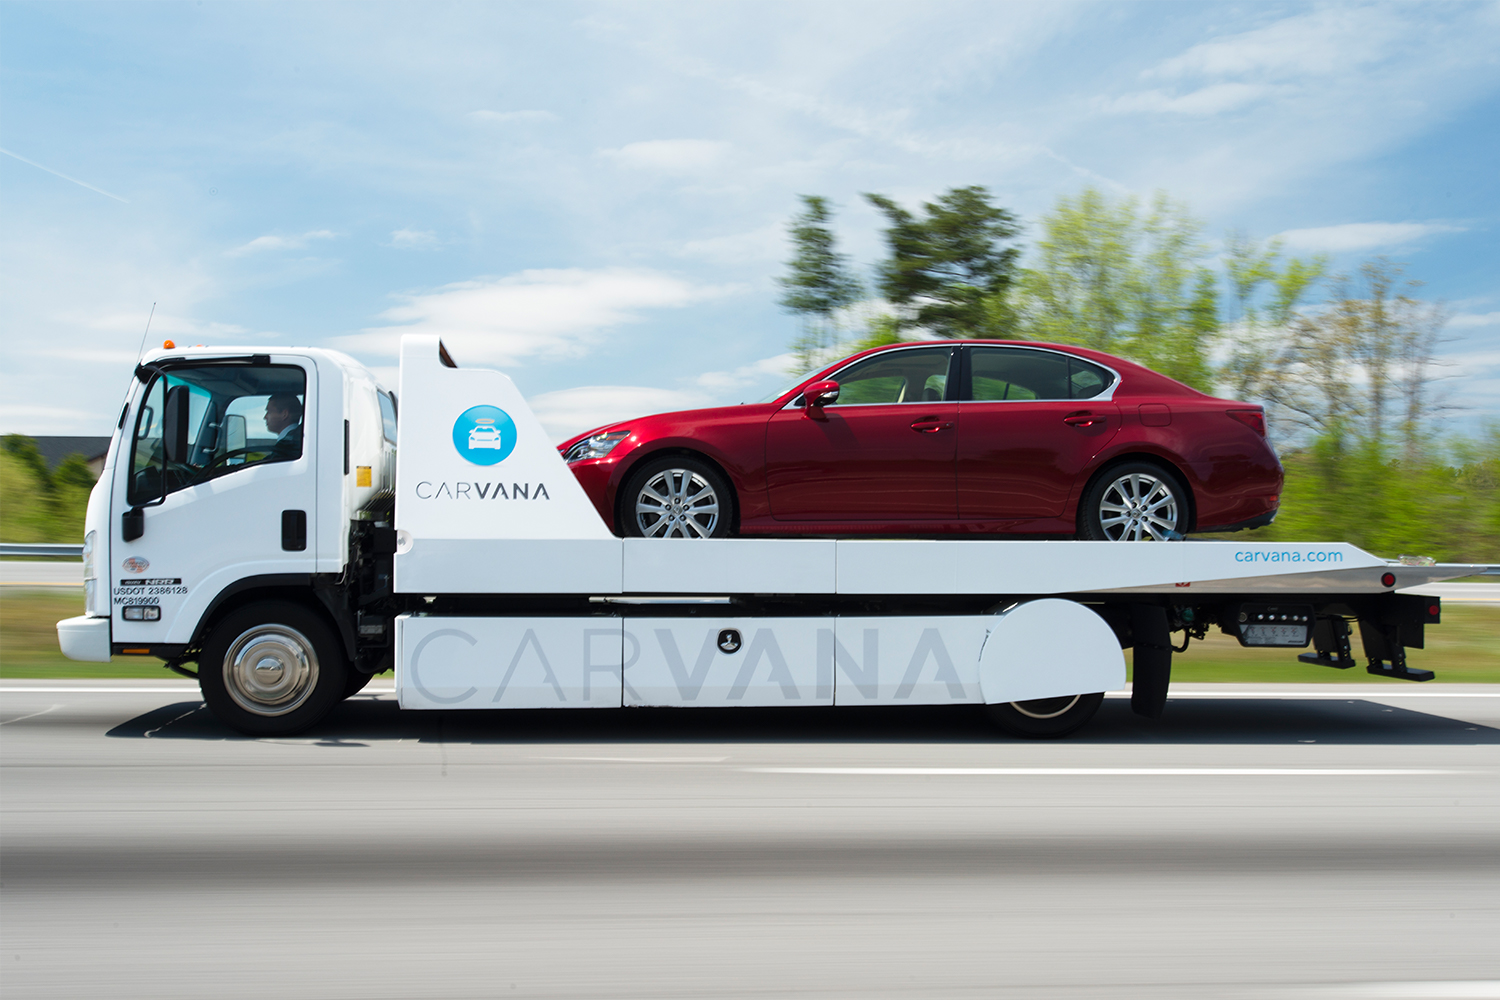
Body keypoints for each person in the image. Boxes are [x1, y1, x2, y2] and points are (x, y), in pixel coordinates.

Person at [264, 394, 304, 461]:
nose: (265, 417)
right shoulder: (296, 441)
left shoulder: (287, 446)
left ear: (284, 414)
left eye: (269, 412)